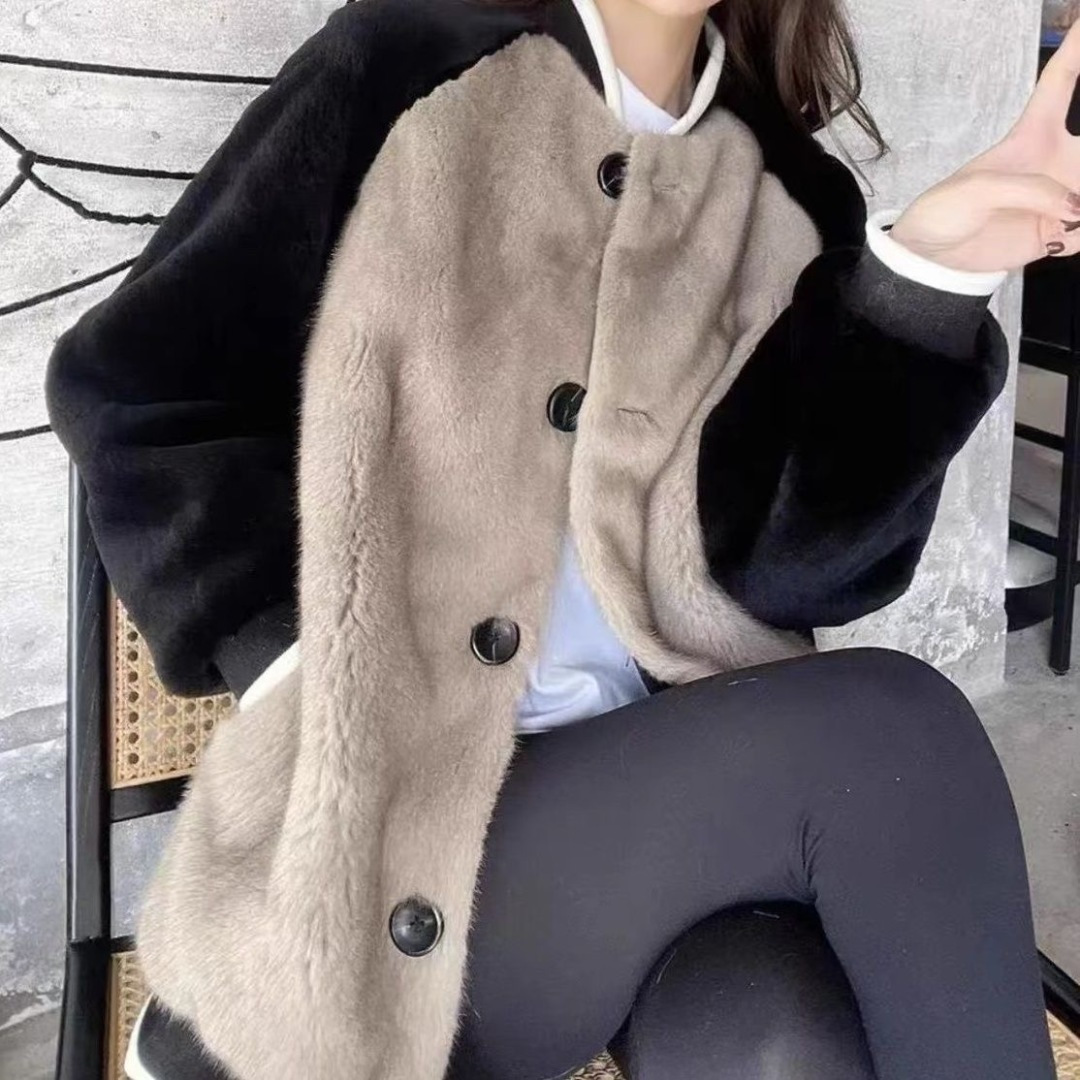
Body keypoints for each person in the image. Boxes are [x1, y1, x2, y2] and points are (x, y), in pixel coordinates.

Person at [43, 0, 1076, 1077]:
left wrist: (928, 277)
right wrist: (316, 671)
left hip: (655, 837)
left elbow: (791, 568)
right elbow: (141, 387)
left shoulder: (787, 192)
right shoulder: (405, 66)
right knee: (890, 734)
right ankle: (243, 1028)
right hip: (392, 828)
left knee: (781, 1037)